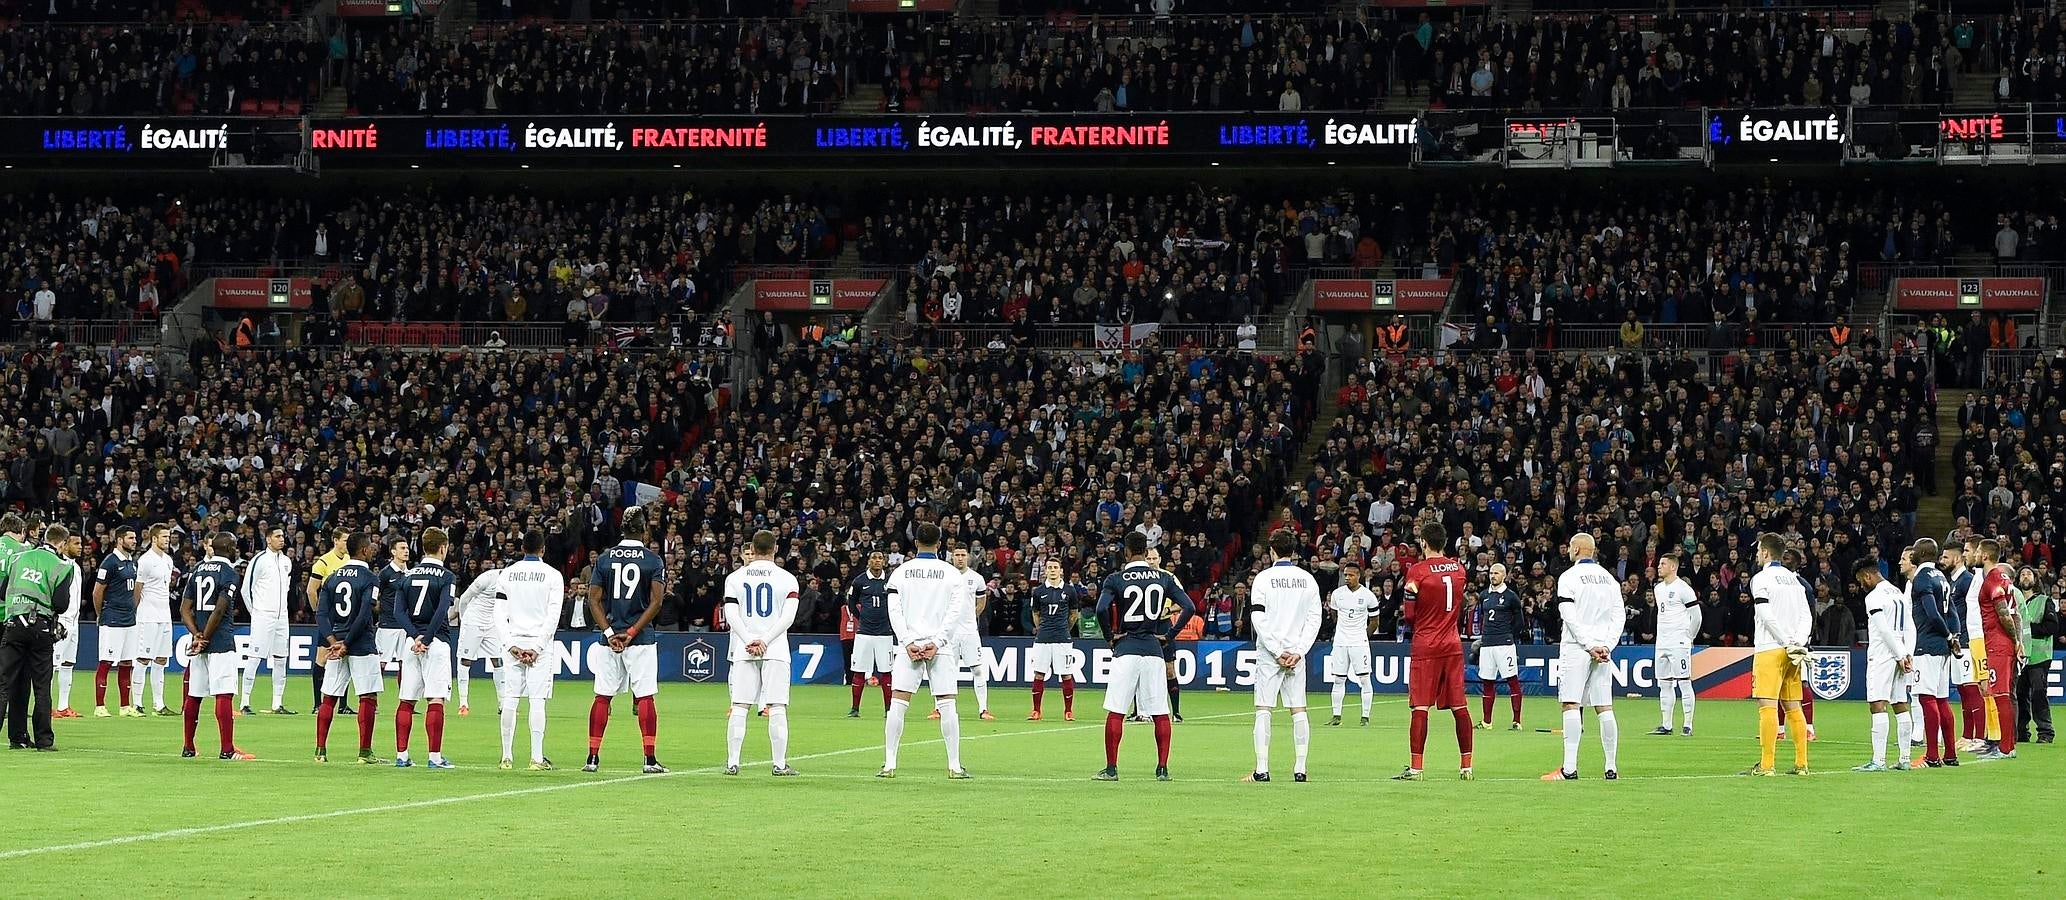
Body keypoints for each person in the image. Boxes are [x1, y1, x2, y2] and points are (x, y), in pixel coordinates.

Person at [1093, 531, 1192, 782]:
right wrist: (1170, 635)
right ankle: (1162, 768)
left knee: (1116, 709)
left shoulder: (1116, 578)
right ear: (1146, 551)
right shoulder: (1162, 578)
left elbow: (1101, 608)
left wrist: (1109, 637)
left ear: (1126, 552)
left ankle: (1112, 768)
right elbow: (1189, 607)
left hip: (1126, 648)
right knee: (1159, 710)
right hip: (1153, 649)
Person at [880, 523, 970, 779]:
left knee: (898, 703)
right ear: (940, 544)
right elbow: (956, 612)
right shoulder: (952, 574)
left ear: (915, 543)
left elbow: (894, 611)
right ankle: (954, 765)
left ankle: (889, 764)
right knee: (947, 703)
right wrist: (938, 642)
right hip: (939, 648)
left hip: (909, 647)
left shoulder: (900, 573)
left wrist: (908, 641)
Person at [585, 508, 668, 774]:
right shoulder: (653, 560)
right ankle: (649, 760)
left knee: (602, 696)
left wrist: (610, 633)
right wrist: (631, 632)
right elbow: (656, 602)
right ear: (644, 530)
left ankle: (592, 758)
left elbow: (593, 599)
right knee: (645, 696)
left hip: (609, 640)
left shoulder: (605, 559)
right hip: (640, 639)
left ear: (622, 529)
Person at [1394, 522, 1471, 781]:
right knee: (1460, 706)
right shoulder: (1459, 569)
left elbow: (1409, 614)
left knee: (1420, 708)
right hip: (1452, 644)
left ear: (1424, 543)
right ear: (1445, 542)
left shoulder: (1417, 571)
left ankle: (1416, 768)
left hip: (1426, 644)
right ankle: (1466, 766)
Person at [1543, 533, 1623, 782]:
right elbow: (1619, 616)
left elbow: (1568, 614)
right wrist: (1606, 645)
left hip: (1578, 647)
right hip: (1603, 650)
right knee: (1604, 706)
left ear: (1576, 549)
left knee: (1571, 703)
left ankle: (1569, 768)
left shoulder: (1569, 577)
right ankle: (1611, 768)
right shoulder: (1610, 579)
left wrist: (1589, 645)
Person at [721, 530, 800, 777]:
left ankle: (733, 762)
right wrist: (765, 640)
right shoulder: (787, 579)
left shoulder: (735, 577)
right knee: (776, 706)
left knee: (740, 705)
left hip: (744, 649)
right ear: (775, 549)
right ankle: (779, 764)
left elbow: (731, 615)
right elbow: (788, 617)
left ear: (752, 550)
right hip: (775, 648)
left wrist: (748, 639)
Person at [1245, 529, 1321, 783]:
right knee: (1298, 709)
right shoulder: (1308, 580)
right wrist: (1299, 651)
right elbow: (1314, 619)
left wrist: (1277, 651)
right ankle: (1300, 769)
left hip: (1271, 654)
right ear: (1294, 551)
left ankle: (1262, 769)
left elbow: (1258, 617)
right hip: (1296, 655)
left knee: (1264, 708)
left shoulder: (1263, 579)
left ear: (1272, 551)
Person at [494, 530, 565, 771]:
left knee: (510, 699)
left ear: (522, 548)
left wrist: (510, 644)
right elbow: (554, 615)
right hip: (539, 646)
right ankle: (536, 758)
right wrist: (537, 647)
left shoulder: (507, 573)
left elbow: (498, 612)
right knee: (537, 700)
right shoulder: (553, 576)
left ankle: (506, 757)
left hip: (513, 642)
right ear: (543, 549)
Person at [0, 524, 75, 751]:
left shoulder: (18, 559)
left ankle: (17, 737)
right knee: (41, 686)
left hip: (13, 625)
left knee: (4, 684)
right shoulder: (62, 566)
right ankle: (43, 741)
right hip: (40, 628)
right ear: (61, 544)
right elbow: (61, 605)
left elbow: (3, 591)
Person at [178, 532, 252, 761]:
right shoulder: (229, 572)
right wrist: (206, 638)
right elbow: (220, 610)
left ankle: (188, 747)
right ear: (229, 548)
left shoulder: (197, 570)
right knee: (224, 693)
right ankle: (227, 749)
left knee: (195, 695)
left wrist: (196, 635)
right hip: (219, 641)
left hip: (200, 641)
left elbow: (183, 609)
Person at [1744, 534, 1813, 777]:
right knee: (1794, 707)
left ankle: (1767, 765)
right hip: (1793, 652)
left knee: (1767, 706)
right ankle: (1801, 763)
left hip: (1770, 648)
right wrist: (1798, 643)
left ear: (1765, 552)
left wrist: (1785, 641)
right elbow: (1807, 615)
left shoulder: (1761, 578)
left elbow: (1765, 613)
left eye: (1758, 550)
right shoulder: (1795, 581)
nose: (1756, 555)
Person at [315, 534, 382, 765]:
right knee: (367, 695)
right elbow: (365, 613)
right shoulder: (370, 579)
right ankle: (364, 752)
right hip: (361, 642)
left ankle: (320, 751)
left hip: (336, 643)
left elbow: (321, 614)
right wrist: (348, 643)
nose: (373, 551)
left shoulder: (332, 578)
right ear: (363, 551)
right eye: (371, 548)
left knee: (329, 697)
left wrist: (334, 641)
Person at [393, 528, 457, 769]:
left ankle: (401, 755)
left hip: (411, 644)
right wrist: (427, 638)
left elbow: (399, 612)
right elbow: (442, 610)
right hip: (436, 642)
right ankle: (435, 757)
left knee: (406, 700)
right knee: (436, 699)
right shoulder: (446, 576)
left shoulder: (406, 576)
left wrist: (415, 637)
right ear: (443, 548)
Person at [1853, 557, 1915, 772]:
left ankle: (1878, 761)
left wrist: (1898, 655)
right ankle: (1905, 758)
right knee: (1900, 703)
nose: (1862, 584)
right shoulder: (1898, 593)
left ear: (1867, 575)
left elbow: (1883, 629)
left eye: (1861, 580)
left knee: (1877, 704)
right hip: (1902, 651)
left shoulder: (1875, 597)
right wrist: (1907, 653)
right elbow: (1910, 626)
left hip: (1883, 654)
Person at [1907, 539, 1963, 766]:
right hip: (1942, 647)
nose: (1910, 554)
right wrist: (1954, 635)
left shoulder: (1921, 578)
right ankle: (1950, 754)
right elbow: (1953, 612)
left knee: (1927, 698)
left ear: (1920, 553)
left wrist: (1949, 636)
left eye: (1913, 550)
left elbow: (1931, 613)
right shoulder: (1941, 577)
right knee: (1942, 700)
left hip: (1928, 645)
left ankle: (1931, 756)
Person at [238, 526, 296, 715]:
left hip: (282, 617)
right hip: (263, 615)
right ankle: (244, 702)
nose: (281, 539)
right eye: (277, 536)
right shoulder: (259, 560)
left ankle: (277, 704)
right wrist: (256, 613)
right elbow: (246, 590)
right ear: (268, 539)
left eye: (282, 536)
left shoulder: (287, 562)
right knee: (254, 658)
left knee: (281, 659)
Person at [1972, 539, 2020, 760]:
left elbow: (2004, 614)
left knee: (2000, 694)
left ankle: (2006, 748)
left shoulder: (1991, 581)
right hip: (2004, 643)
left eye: (1977, 552)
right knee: (2003, 695)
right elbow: (2015, 612)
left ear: (1984, 556)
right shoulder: (2004, 578)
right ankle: (2007, 746)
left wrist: (2013, 639)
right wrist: (2017, 640)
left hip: (1998, 644)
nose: (1973, 555)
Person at [1942, 542, 1989, 751]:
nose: (1942, 561)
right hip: (1958, 643)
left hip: (1969, 641)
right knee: (1962, 690)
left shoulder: (1967, 581)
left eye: (1945, 557)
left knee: (1972, 689)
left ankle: (1979, 736)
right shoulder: (1953, 581)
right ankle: (1967, 735)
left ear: (1958, 558)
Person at [92, 526, 141, 718]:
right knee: (106, 661)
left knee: (127, 662)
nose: (134, 541)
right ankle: (100, 706)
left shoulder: (132, 563)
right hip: (112, 619)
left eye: (135, 537)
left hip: (129, 619)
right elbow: (97, 591)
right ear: (120, 540)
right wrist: (100, 614)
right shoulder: (110, 562)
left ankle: (124, 706)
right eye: (130, 537)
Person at [1650, 556, 1701, 736]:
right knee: (1664, 684)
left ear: (1673, 567)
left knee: (1684, 683)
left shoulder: (1683, 589)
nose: (1658, 567)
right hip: (1662, 642)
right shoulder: (1658, 589)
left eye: (1662, 564)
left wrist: (1689, 636)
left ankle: (1688, 725)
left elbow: (1697, 616)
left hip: (1679, 642)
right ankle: (1667, 724)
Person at [944, 546, 994, 721]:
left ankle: (983, 709)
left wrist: (969, 618)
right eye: (956, 555)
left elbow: (981, 602)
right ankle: (939, 709)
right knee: (947, 670)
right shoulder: (945, 576)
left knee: (978, 669)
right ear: (952, 557)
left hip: (969, 631)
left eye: (962, 555)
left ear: (968, 557)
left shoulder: (976, 578)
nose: (959, 558)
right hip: (949, 632)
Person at [1027, 559, 1080, 722]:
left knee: (1066, 674)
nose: (1052, 570)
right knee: (1039, 674)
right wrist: (1043, 628)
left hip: (1062, 639)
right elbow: (1036, 614)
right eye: (1049, 567)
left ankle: (1068, 711)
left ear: (1061, 570)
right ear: (1045, 571)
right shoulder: (1038, 591)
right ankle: (1036, 710)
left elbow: (1074, 614)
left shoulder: (1070, 591)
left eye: (1055, 567)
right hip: (1043, 639)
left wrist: (1064, 629)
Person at [452, 559, 506, 717]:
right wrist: (463, 621)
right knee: (465, 660)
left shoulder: (513, 585)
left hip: (492, 623)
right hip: (473, 620)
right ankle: (463, 703)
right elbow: (464, 598)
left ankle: (503, 704)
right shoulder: (487, 578)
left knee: (498, 660)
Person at [1326, 562, 1377, 727]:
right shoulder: (1337, 594)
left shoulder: (1368, 595)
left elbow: (1375, 621)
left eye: (1351, 575)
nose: (1347, 577)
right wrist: (1341, 631)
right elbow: (1334, 614)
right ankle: (1336, 716)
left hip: (1358, 642)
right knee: (1339, 679)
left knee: (1364, 679)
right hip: (1341, 642)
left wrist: (1363, 636)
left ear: (1358, 576)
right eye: (1345, 574)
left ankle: (1365, 717)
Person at [1474, 563, 1524, 730]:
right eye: (1491, 573)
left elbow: (1520, 621)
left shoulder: (1511, 596)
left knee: (1512, 679)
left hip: (1504, 644)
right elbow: (1483, 617)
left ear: (1504, 575)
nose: (1492, 575)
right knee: (1487, 681)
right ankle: (1487, 722)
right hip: (1487, 643)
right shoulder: (1484, 595)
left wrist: (1509, 636)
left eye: (1496, 573)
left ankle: (1517, 721)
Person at [305, 528, 351, 712]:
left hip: (346, 615)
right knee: (322, 658)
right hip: (330, 615)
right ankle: (318, 704)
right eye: (345, 540)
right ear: (335, 541)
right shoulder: (323, 562)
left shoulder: (350, 561)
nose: (347, 544)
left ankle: (343, 705)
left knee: (344, 657)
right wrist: (319, 613)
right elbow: (311, 590)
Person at [134, 524, 177, 716]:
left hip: (164, 615)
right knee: (143, 658)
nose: (167, 539)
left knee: (161, 659)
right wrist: (135, 611)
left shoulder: (168, 560)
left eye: (168, 536)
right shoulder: (145, 561)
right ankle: (137, 703)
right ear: (154, 539)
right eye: (164, 537)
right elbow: (138, 589)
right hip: (148, 615)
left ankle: (159, 704)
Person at [846, 550, 894, 718]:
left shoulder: (890, 581)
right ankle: (855, 708)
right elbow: (851, 602)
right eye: (874, 557)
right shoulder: (859, 581)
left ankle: (889, 709)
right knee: (858, 670)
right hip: (864, 633)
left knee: (886, 672)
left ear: (884, 561)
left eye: (880, 558)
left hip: (885, 633)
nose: (877, 560)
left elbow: (898, 603)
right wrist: (861, 618)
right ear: (868, 561)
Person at [2017, 569, 2056, 744]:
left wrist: (2025, 628)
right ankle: (2021, 732)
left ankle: (2045, 732)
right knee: (2019, 694)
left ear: (2035, 578)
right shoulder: (2014, 601)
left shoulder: (2045, 601)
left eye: (2029, 574)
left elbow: (2052, 627)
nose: (2025, 577)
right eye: (2022, 574)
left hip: (2039, 655)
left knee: (2038, 694)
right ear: (2018, 579)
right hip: (2019, 656)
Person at [48, 529, 83, 719]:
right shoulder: (58, 564)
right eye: (76, 544)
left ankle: (63, 706)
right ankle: (46, 705)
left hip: (74, 622)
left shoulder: (75, 567)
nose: (80, 547)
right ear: (65, 544)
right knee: (53, 665)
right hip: (60, 621)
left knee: (68, 663)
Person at [373, 539, 414, 697]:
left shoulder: (410, 573)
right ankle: (372, 700)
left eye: (407, 548)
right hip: (387, 625)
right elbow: (375, 597)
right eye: (402, 548)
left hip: (405, 626)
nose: (406, 551)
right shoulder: (385, 574)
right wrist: (382, 612)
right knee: (381, 663)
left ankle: (405, 698)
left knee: (406, 663)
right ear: (393, 552)